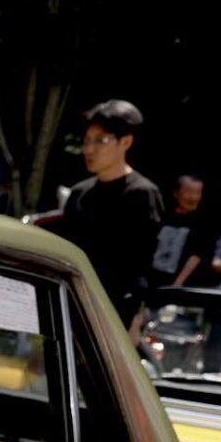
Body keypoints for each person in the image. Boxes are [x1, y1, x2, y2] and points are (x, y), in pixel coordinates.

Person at [49, 100, 163, 320]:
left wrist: (135, 318)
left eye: (100, 141)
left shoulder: (141, 194)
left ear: (126, 141)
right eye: (87, 141)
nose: (89, 149)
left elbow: (140, 267)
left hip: (114, 311)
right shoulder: (80, 192)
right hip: (71, 302)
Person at [150, 173, 221, 287]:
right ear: (176, 193)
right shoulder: (162, 216)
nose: (193, 197)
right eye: (189, 191)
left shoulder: (204, 222)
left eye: (197, 192)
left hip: (180, 285)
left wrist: (178, 283)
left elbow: (197, 255)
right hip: (152, 280)